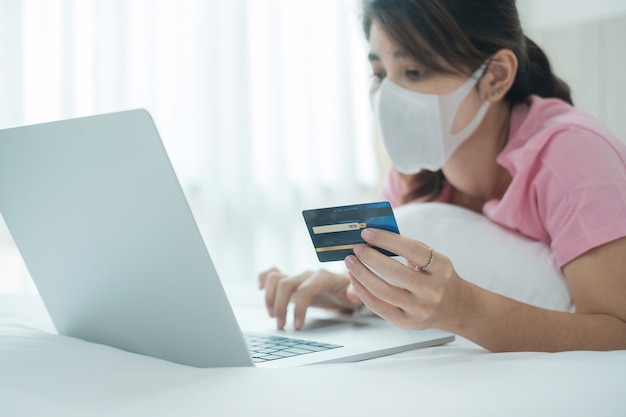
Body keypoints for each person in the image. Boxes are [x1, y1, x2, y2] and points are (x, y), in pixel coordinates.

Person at [259, 0, 626, 352]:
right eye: (379, 74)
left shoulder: (573, 154)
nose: (388, 97)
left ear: (495, 76)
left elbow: (619, 331)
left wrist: (466, 311)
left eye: (415, 72)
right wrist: (349, 293)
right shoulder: (414, 169)